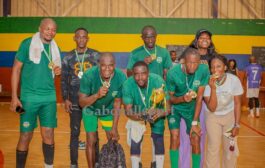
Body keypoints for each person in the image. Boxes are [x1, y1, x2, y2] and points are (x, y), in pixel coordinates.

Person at [10, 18, 61, 168]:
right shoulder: (27, 44)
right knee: (25, 135)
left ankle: (48, 167)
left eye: (53, 30)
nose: (50, 32)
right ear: (40, 28)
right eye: (47, 29)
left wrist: (58, 71)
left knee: (49, 135)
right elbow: (16, 69)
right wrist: (14, 97)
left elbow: (56, 70)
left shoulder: (55, 48)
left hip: (49, 99)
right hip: (28, 99)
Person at [79, 52, 126, 168]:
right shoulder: (89, 75)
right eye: (103, 65)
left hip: (107, 109)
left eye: (110, 65)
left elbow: (117, 102)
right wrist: (96, 95)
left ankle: (109, 164)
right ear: (98, 65)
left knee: (112, 138)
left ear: (114, 65)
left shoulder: (120, 77)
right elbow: (81, 103)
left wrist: (115, 127)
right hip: (90, 109)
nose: (107, 69)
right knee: (91, 140)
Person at [61, 27, 100, 167]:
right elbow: (64, 80)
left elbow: (100, 77)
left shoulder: (96, 55)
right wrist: (65, 99)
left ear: (87, 38)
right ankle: (73, 163)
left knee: (93, 133)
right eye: (79, 36)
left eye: (84, 37)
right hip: (74, 101)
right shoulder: (67, 57)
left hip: (91, 101)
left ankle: (96, 162)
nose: (81, 39)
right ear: (74, 38)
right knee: (75, 133)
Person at [166, 47, 210, 168]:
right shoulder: (172, 73)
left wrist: (195, 122)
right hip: (175, 107)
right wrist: (182, 99)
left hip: (191, 109)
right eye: (190, 62)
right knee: (175, 138)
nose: (193, 66)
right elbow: (170, 99)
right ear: (184, 61)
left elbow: (200, 98)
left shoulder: (204, 70)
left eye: (196, 62)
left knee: (195, 139)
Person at [122, 61, 170, 168]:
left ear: (148, 73)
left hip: (156, 109)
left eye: (143, 73)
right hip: (137, 110)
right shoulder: (128, 84)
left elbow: (168, 108)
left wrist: (160, 112)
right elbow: (128, 111)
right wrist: (141, 115)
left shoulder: (158, 81)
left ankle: (157, 165)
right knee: (135, 138)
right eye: (136, 74)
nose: (140, 77)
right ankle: (136, 165)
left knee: (158, 138)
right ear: (132, 74)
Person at [204, 54, 243, 168]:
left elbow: (237, 104)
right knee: (213, 146)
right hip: (212, 116)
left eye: (218, 66)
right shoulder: (207, 82)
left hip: (229, 116)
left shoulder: (234, 80)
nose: (215, 69)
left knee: (230, 148)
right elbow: (212, 108)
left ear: (225, 67)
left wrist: (237, 125)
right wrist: (213, 88)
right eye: (212, 67)